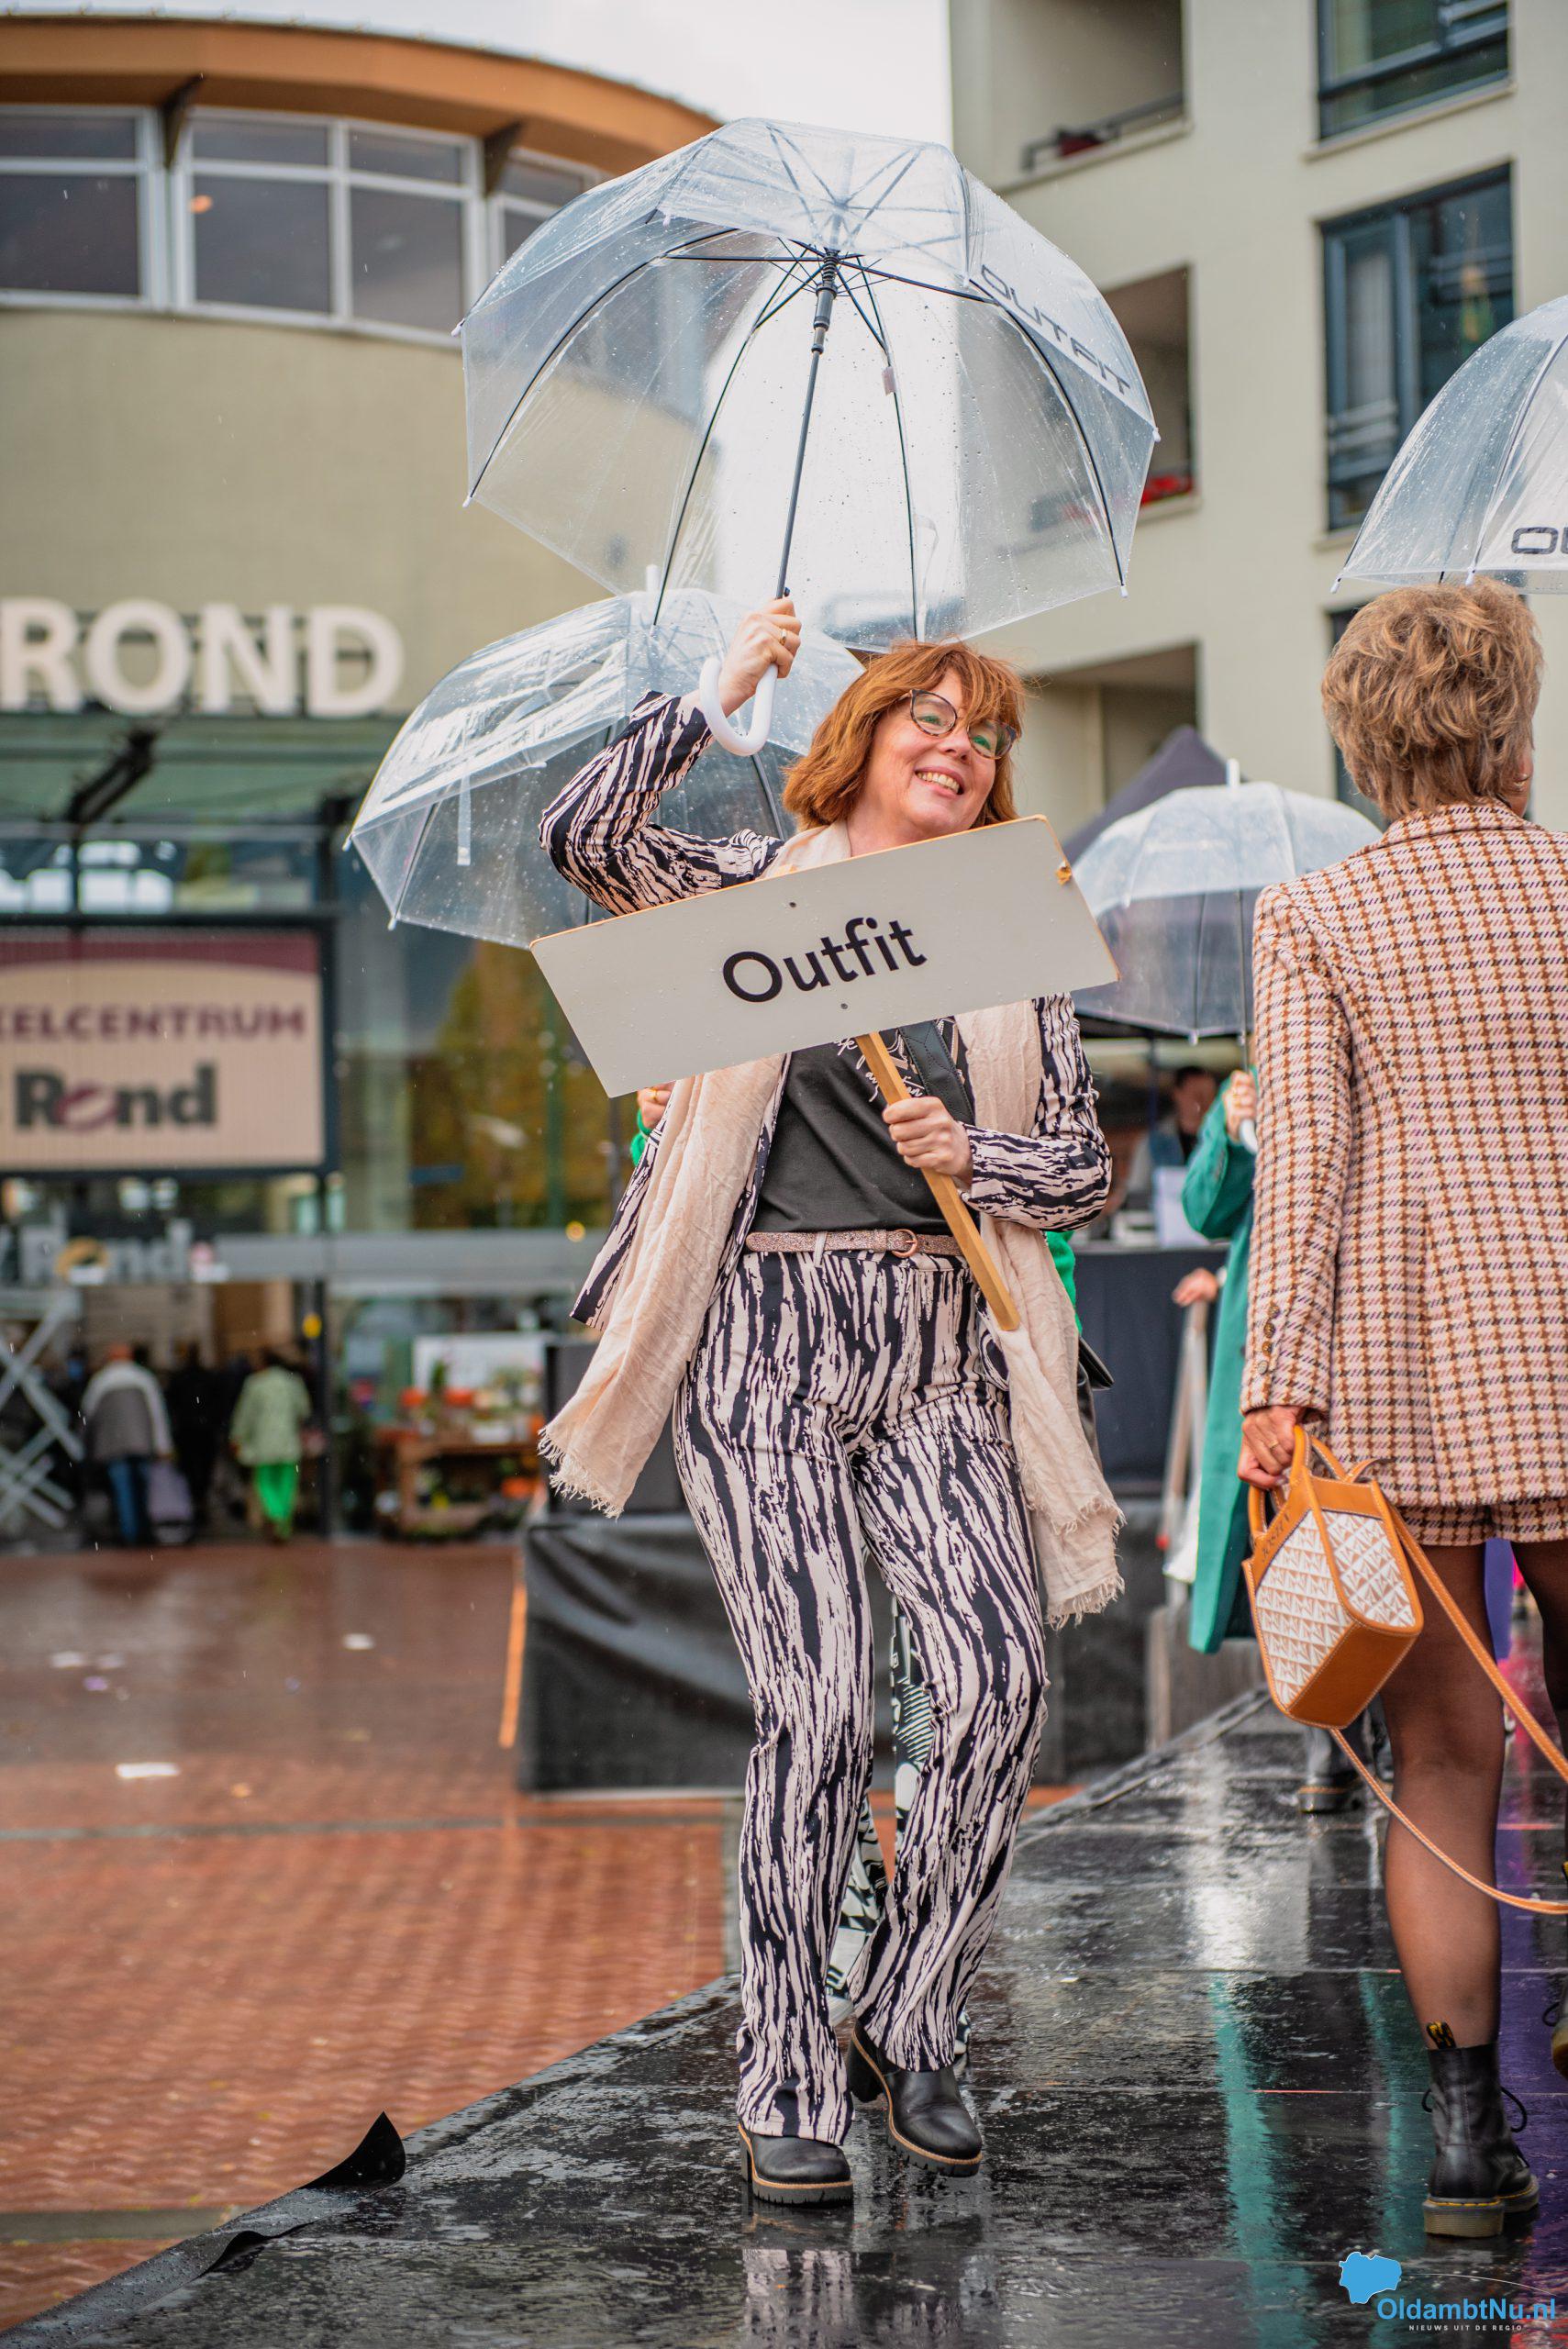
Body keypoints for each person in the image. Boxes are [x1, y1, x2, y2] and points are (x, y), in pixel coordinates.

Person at [539, 598, 1118, 2208]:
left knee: (998, 1682)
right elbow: (583, 836)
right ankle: (785, 2071)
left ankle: (908, 2017)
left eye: (985, 733)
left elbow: (1078, 1163)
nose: (961, 746)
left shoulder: (1001, 923)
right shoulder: (746, 889)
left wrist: (972, 1153)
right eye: (931, 716)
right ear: (858, 739)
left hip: (936, 1339)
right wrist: (718, 691)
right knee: (815, 1710)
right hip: (762, 1336)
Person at [1239, 579, 1568, 2239]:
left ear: (1362, 742)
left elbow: (1300, 1169)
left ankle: (1458, 2153)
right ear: (1512, 723)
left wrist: (1271, 1387)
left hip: (1392, 1371)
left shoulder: (1313, 913)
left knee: (1438, 1759)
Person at [79, 1341, 172, 1548]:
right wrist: (163, 1445)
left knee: (123, 1490)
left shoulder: (101, 1381)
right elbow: (157, 1414)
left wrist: (87, 1445)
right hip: (142, 1441)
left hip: (112, 1444)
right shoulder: (144, 1378)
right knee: (144, 1487)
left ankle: (129, 1533)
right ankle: (145, 1529)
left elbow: (88, 1415)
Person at [229, 1350, 315, 1543]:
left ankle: (275, 1514)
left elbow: (245, 1414)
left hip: (263, 1444)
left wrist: (237, 1437)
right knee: (287, 1485)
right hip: (288, 1443)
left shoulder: (255, 1384)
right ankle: (283, 1523)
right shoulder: (293, 1383)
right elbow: (304, 1410)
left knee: (265, 1484)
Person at [1121, 1063, 1218, 1215]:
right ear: (1177, 1094)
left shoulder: (1220, 1140)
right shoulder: (1152, 1142)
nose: (1203, 1103)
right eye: (1196, 1095)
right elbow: (1137, 1191)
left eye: (1209, 1095)